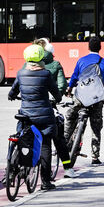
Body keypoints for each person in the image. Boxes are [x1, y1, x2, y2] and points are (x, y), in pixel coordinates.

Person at [9, 43, 63, 190]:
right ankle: (45, 182)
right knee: (45, 145)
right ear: (41, 57)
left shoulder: (21, 73)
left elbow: (13, 91)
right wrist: (58, 98)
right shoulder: (46, 74)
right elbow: (56, 93)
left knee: (22, 137)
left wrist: (12, 96)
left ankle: (13, 168)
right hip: (44, 117)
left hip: (26, 115)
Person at [65, 35, 104, 165]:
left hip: (81, 97)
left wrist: (69, 89)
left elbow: (74, 78)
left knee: (70, 116)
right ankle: (95, 156)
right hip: (96, 99)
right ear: (100, 47)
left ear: (88, 47)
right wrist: (101, 87)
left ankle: (64, 143)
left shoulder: (81, 61)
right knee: (96, 127)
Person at [33, 37, 72, 170]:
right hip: (48, 106)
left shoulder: (27, 65)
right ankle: (68, 168)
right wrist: (57, 98)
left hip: (28, 108)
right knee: (58, 136)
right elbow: (61, 86)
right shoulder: (55, 65)